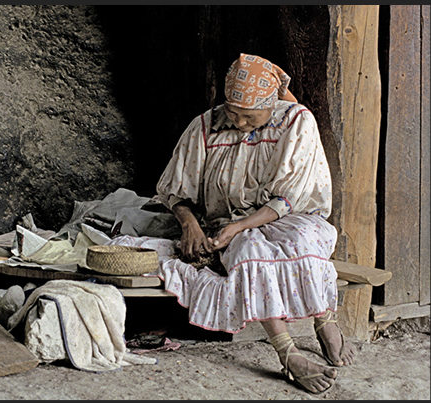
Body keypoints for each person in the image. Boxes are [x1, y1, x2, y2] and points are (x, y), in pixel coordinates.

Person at [109, 53, 356, 393]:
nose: (240, 123)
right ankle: (288, 353)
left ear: (271, 105)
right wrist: (190, 226)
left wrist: (240, 226)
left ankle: (325, 322)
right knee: (249, 252)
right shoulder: (204, 127)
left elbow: (288, 198)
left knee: (302, 243)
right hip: (227, 221)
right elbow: (174, 190)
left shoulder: (297, 121)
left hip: (289, 214)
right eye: (233, 114)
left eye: (250, 116)